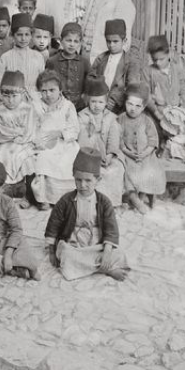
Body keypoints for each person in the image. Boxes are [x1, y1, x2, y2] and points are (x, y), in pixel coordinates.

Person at [45, 148, 129, 281]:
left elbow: (111, 229)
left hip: (96, 243)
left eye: (88, 181)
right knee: (66, 255)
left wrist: (107, 252)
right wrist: (51, 250)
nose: (82, 185)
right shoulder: (66, 201)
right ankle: (106, 268)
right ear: (73, 177)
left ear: (98, 179)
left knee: (118, 253)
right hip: (74, 244)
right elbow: (53, 224)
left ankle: (103, 265)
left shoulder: (104, 202)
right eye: (78, 180)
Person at [0, 71, 37, 200]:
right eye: (6, 96)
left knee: (27, 159)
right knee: (1, 157)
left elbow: (28, 133)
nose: (10, 100)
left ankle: (29, 194)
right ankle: (6, 188)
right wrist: (17, 132)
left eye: (14, 96)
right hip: (2, 144)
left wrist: (14, 133)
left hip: (22, 144)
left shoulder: (28, 109)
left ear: (22, 94)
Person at [142, 34, 185, 161]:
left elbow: (183, 89)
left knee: (184, 135)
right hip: (158, 113)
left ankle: (181, 154)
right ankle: (158, 152)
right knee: (156, 132)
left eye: (161, 59)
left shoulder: (176, 69)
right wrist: (157, 112)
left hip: (176, 112)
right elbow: (146, 95)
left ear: (168, 54)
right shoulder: (148, 71)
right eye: (154, 60)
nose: (158, 63)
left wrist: (182, 108)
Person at [32, 69, 80, 210]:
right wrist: (37, 140)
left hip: (64, 142)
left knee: (69, 158)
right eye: (44, 91)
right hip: (44, 141)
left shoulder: (67, 106)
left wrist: (60, 133)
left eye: (52, 90)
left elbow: (74, 129)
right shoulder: (37, 106)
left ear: (60, 90)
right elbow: (32, 127)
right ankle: (44, 198)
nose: (48, 95)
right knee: (43, 158)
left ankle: (66, 197)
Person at [118, 83, 167, 213]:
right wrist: (127, 151)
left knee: (150, 170)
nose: (133, 109)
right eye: (130, 104)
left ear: (144, 107)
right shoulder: (120, 119)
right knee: (128, 172)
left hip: (146, 155)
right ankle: (135, 200)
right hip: (127, 154)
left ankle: (143, 196)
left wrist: (144, 153)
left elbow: (153, 141)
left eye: (137, 106)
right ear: (125, 103)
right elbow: (118, 139)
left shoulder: (146, 121)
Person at [77, 78, 124, 206]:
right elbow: (82, 139)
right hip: (88, 154)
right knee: (90, 172)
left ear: (106, 103)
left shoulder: (111, 117)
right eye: (93, 101)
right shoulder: (82, 116)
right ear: (88, 101)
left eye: (100, 102)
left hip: (107, 154)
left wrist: (110, 154)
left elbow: (113, 138)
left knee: (116, 169)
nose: (96, 105)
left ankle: (110, 202)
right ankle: (92, 201)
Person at [88, 19, 140, 115]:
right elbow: (91, 77)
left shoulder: (130, 62)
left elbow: (132, 86)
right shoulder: (101, 58)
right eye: (108, 41)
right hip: (98, 103)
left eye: (115, 41)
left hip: (118, 107)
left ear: (124, 41)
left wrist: (115, 99)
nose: (111, 45)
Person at [45, 22, 90, 110]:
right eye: (68, 40)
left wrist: (84, 97)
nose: (72, 44)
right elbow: (47, 83)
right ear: (61, 41)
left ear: (80, 43)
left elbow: (88, 83)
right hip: (57, 105)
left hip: (78, 106)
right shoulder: (52, 61)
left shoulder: (84, 62)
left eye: (76, 41)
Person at [0, 13, 45, 94]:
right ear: (13, 36)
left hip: (34, 99)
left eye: (27, 34)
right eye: (19, 35)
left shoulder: (38, 56)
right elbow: (0, 83)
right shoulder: (5, 57)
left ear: (31, 36)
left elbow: (42, 82)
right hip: (12, 98)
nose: (23, 38)